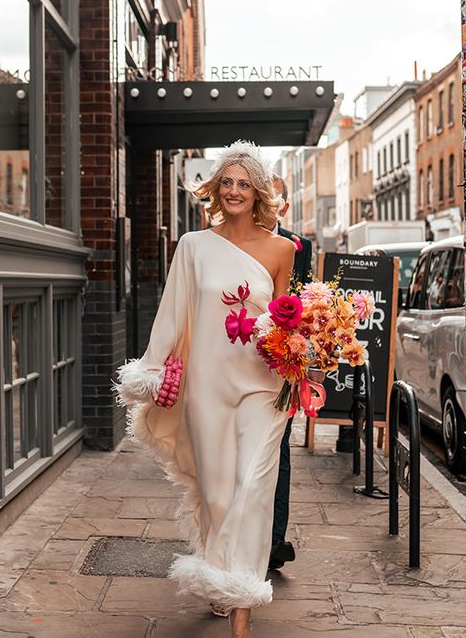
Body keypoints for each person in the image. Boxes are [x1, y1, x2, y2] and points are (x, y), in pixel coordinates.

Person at [114, 141, 295, 638]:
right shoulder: (193, 246)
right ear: (216, 188)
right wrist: (150, 372)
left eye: (244, 183)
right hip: (207, 385)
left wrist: (302, 356)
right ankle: (221, 572)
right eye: (227, 182)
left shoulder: (283, 249)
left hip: (263, 385)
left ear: (259, 192)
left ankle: (242, 607)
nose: (235, 191)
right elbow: (172, 313)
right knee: (218, 494)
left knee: (253, 487)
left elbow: (288, 321)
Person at [268, 175, 312, 571]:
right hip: (246, 357)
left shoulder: (300, 245)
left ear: (284, 205)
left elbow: (306, 297)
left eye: (277, 199)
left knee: (279, 447)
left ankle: (274, 539)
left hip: (284, 360)